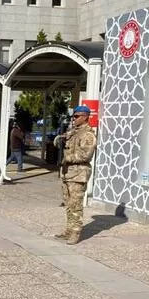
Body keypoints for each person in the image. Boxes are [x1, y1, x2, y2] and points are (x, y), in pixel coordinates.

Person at [55, 105, 98, 245]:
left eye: (77, 116)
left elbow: (86, 155)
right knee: (68, 203)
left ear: (85, 117)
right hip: (68, 173)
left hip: (79, 173)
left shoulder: (88, 134)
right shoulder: (74, 132)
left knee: (76, 205)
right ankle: (69, 230)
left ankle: (76, 232)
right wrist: (60, 138)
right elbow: (67, 141)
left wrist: (69, 158)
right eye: (73, 116)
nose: (74, 119)